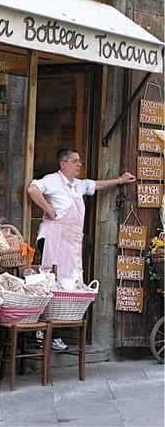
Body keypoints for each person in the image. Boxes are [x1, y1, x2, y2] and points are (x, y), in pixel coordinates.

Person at [28, 148, 136, 349]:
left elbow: (95, 184)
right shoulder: (51, 180)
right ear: (63, 164)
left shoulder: (77, 185)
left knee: (68, 285)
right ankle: (44, 331)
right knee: (52, 283)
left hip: (70, 242)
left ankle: (56, 330)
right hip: (53, 239)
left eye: (80, 161)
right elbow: (32, 189)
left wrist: (120, 180)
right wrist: (48, 209)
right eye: (75, 161)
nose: (79, 165)